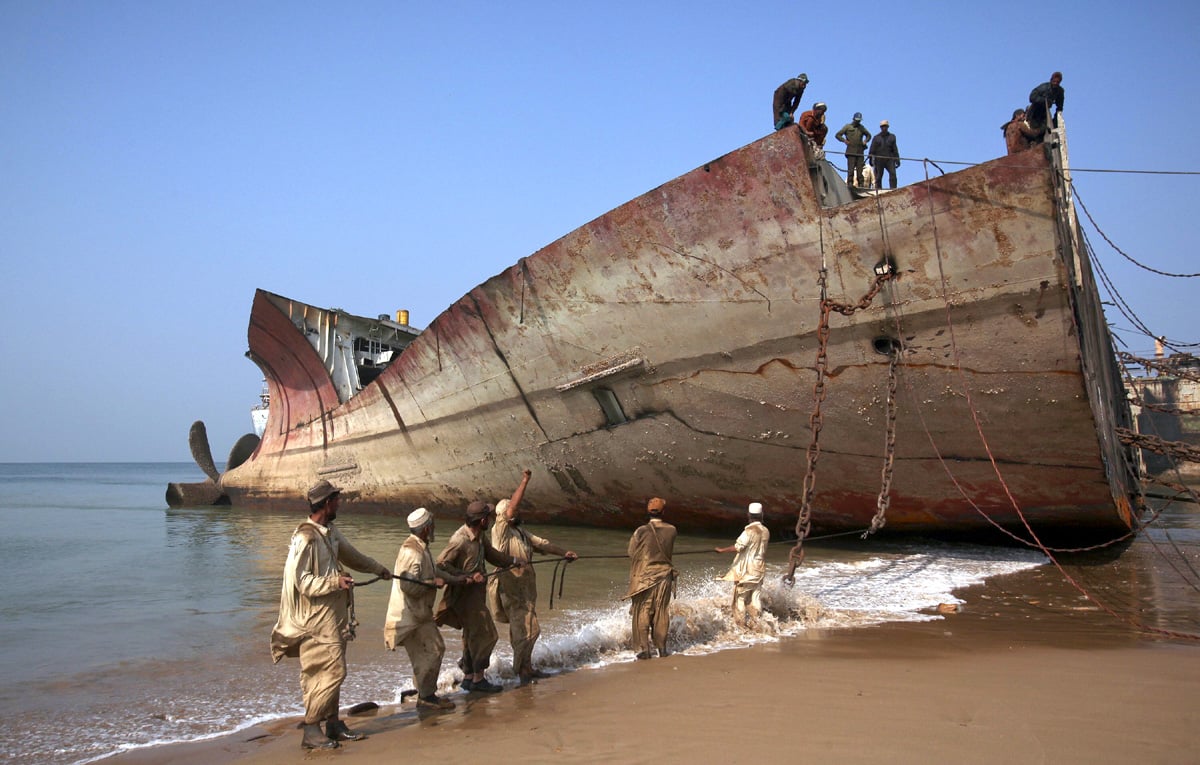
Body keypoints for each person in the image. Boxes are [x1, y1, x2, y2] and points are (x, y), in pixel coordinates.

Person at [270, 480, 392, 750]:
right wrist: (334, 583)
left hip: (333, 616)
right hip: (316, 619)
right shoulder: (305, 538)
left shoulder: (330, 532)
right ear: (326, 503)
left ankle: (333, 724)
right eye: (336, 500)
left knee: (327, 670)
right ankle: (312, 728)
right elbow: (303, 582)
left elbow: (353, 556)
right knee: (331, 670)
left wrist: (378, 568)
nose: (339, 503)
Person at [490, 469, 578, 683]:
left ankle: (526, 668)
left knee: (524, 630)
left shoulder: (520, 532)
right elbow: (511, 508)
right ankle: (520, 670)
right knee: (529, 630)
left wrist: (564, 553)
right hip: (511, 589)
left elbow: (542, 544)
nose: (518, 513)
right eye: (514, 512)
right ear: (505, 516)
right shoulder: (500, 531)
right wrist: (525, 481)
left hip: (525, 590)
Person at [435, 499, 525, 693]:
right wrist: (466, 577)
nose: (491, 519)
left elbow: (492, 555)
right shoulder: (459, 540)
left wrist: (514, 560)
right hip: (464, 596)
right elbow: (440, 565)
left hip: (476, 594)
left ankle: (468, 676)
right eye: (488, 517)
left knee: (470, 636)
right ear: (481, 520)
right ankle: (478, 679)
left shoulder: (480, 536)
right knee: (488, 635)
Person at [383, 508, 459, 711]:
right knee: (434, 651)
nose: (434, 528)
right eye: (432, 525)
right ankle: (425, 697)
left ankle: (425, 694)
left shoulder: (420, 546)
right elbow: (408, 586)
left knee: (431, 652)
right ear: (426, 528)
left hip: (419, 613)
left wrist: (458, 579)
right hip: (411, 615)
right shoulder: (412, 552)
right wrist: (433, 583)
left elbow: (434, 571)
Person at [624, 497, 677, 660]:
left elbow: (631, 552)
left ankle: (644, 650)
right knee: (661, 612)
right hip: (664, 577)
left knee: (643, 612)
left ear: (647, 512)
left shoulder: (640, 531)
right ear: (663, 512)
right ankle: (662, 649)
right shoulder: (672, 530)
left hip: (645, 579)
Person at [714, 502, 770, 625]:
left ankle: (741, 627)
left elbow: (738, 547)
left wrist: (722, 550)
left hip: (747, 570)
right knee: (755, 597)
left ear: (748, 515)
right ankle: (758, 625)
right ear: (761, 515)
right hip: (759, 569)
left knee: (740, 598)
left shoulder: (749, 531)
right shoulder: (766, 531)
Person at [835, 112, 872, 186]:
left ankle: (861, 184)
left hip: (860, 151)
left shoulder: (861, 128)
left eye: (859, 120)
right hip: (851, 150)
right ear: (853, 119)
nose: (858, 121)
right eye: (857, 120)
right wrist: (844, 141)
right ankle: (850, 183)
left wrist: (865, 141)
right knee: (851, 169)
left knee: (859, 170)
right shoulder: (848, 127)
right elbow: (838, 135)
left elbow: (869, 135)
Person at [1026, 71, 1064, 140]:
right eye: (1054, 81)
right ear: (1051, 80)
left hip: (1045, 113)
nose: (1055, 83)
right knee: (1033, 130)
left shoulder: (1059, 91)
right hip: (1035, 112)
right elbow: (1032, 97)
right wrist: (1044, 100)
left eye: (1057, 82)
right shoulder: (1044, 87)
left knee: (1045, 129)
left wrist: (1056, 120)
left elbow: (1060, 107)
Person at [868, 120, 900, 189]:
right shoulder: (876, 138)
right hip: (879, 159)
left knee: (893, 174)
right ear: (880, 127)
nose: (884, 128)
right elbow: (872, 149)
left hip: (889, 159)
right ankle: (879, 190)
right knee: (878, 176)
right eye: (882, 126)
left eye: (885, 126)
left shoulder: (892, 137)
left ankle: (893, 189)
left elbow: (895, 149)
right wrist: (870, 159)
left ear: (888, 127)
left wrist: (897, 160)